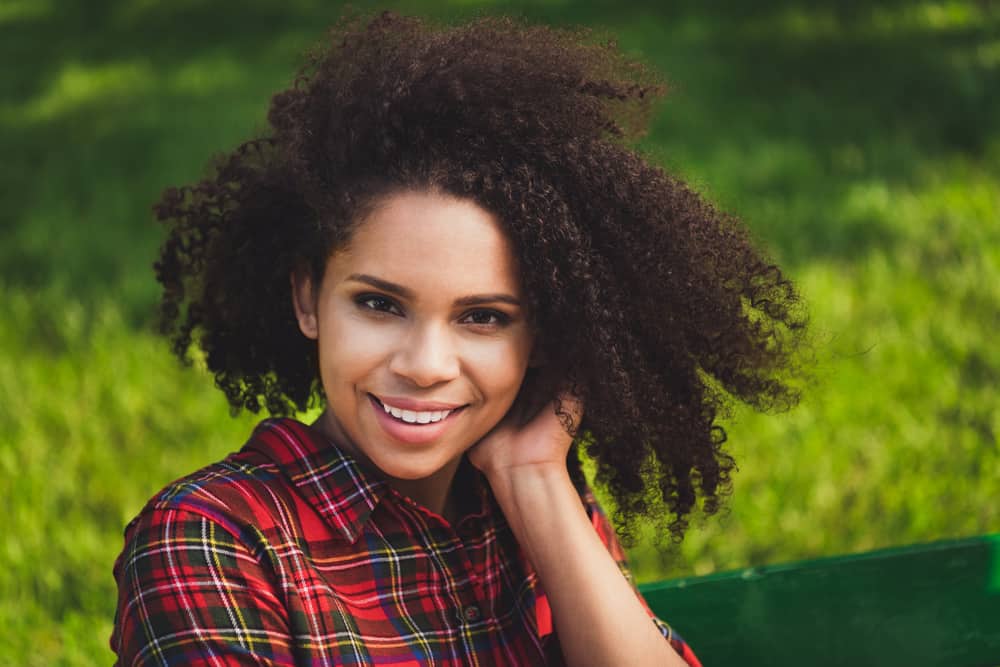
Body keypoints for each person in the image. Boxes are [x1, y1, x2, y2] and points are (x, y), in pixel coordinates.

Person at [112, 10, 806, 666]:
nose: (425, 364)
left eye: (484, 316)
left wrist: (534, 477)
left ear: (545, 333)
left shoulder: (540, 501)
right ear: (307, 297)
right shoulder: (214, 538)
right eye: (380, 303)